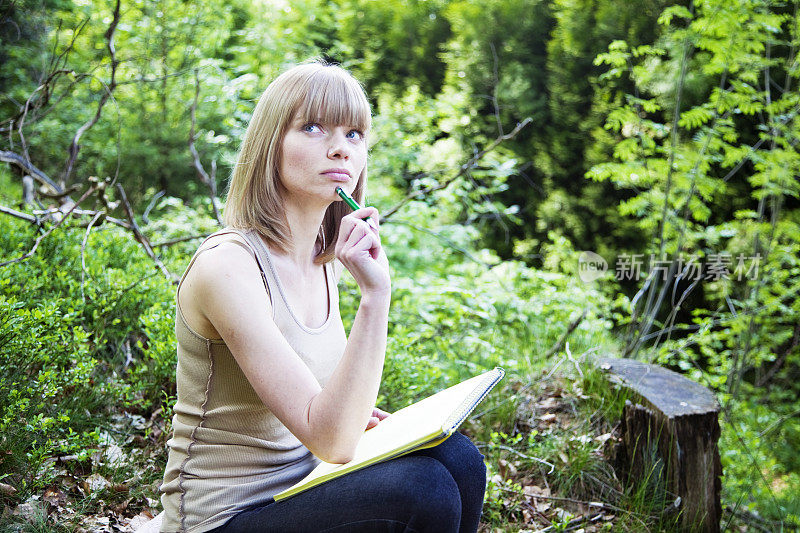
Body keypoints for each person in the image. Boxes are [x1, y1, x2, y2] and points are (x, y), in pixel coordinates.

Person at [158, 60, 487, 533]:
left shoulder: (322, 259)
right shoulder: (228, 265)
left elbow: (326, 418)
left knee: (460, 458)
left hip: (300, 488)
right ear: (271, 143)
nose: (339, 148)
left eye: (354, 134)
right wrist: (376, 296)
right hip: (222, 519)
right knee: (423, 490)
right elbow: (330, 439)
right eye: (313, 127)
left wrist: (354, 415)